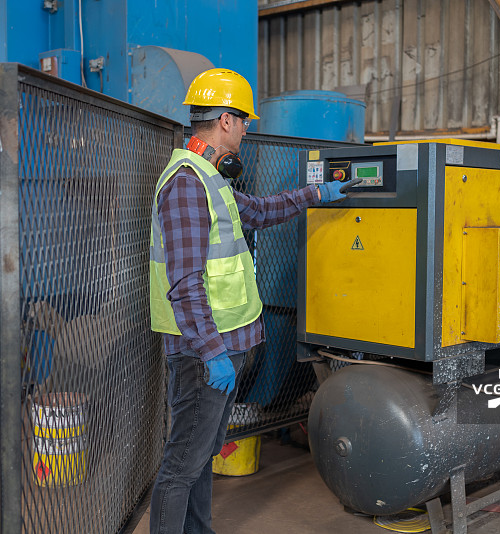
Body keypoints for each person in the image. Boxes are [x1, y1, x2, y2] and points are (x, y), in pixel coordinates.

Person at [148, 67, 360, 534]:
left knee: (200, 455)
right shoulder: (187, 184)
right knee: (183, 462)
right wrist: (212, 353)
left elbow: (260, 212)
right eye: (244, 120)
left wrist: (316, 193)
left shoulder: (211, 179)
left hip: (225, 346)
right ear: (225, 120)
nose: (247, 128)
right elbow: (184, 282)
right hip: (208, 352)